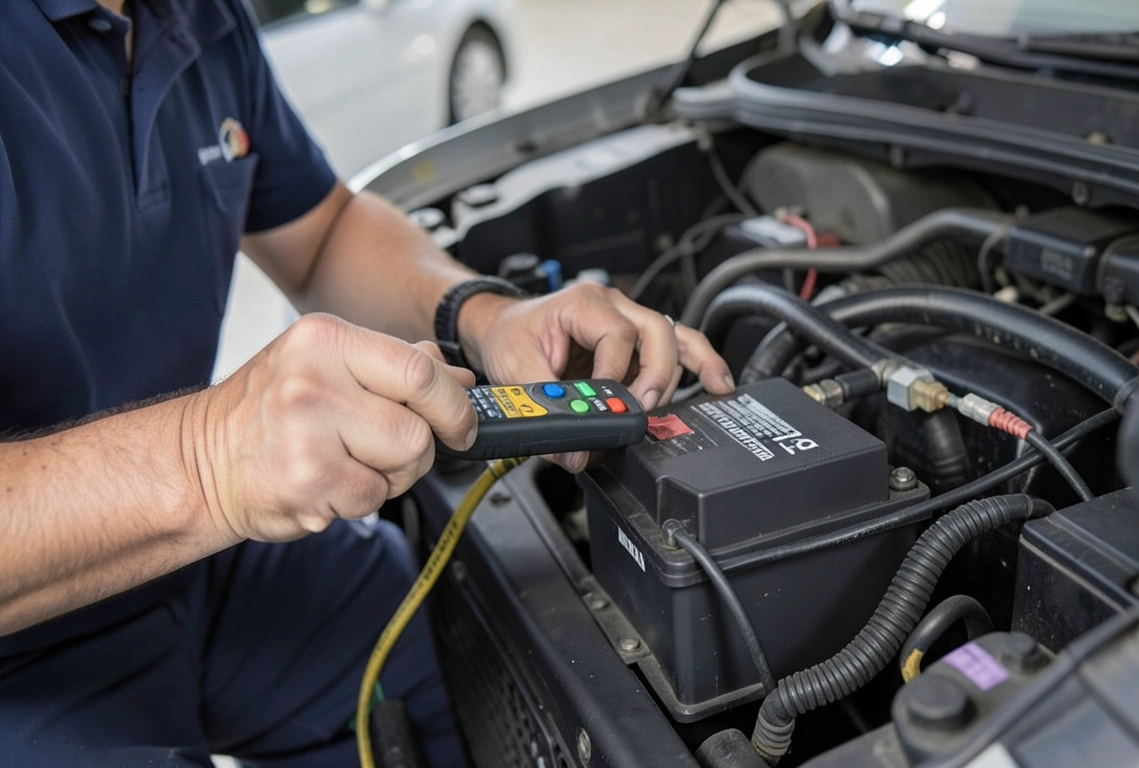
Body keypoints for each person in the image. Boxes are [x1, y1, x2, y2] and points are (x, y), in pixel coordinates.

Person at [0, 0, 735, 765]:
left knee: (460, 635)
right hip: (23, 647)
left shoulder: (199, 16)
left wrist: (484, 316)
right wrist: (208, 460)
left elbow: (320, 234)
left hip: (194, 563)